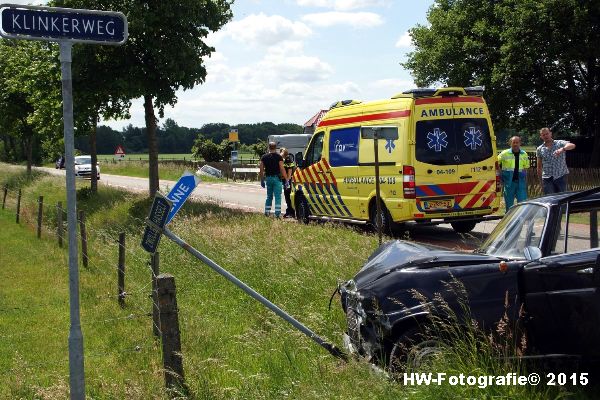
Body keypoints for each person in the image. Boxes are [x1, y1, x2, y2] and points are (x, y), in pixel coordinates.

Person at [536, 127, 576, 194]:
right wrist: (541, 182)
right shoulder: (539, 149)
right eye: (543, 135)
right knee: (550, 200)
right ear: (541, 137)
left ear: (550, 134)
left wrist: (562, 149)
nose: (546, 136)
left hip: (561, 176)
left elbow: (572, 145)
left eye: (547, 134)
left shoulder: (559, 143)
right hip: (547, 178)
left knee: (563, 199)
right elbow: (539, 167)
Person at [497, 136, 529, 212]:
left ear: (520, 143)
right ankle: (509, 222)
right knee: (509, 205)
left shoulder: (524, 154)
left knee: (522, 203)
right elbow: (496, 163)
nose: (515, 144)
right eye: (513, 142)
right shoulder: (504, 153)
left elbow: (526, 167)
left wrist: (524, 176)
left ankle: (521, 220)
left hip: (520, 182)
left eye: (517, 142)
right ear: (510, 143)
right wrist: (500, 173)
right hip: (509, 182)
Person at [259, 142, 288, 218]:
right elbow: (282, 169)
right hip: (277, 178)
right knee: (278, 196)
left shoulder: (264, 157)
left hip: (268, 178)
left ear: (269, 147)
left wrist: (262, 180)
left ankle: (267, 212)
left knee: (269, 196)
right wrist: (286, 179)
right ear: (276, 148)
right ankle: (277, 214)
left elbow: (261, 169)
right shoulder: (279, 157)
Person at [280, 148, 296, 218]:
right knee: (287, 196)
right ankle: (289, 210)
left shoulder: (288, 159)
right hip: (286, 180)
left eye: (281, 153)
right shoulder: (285, 159)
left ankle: (291, 212)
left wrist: (287, 182)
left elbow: (289, 171)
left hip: (288, 180)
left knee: (288, 195)